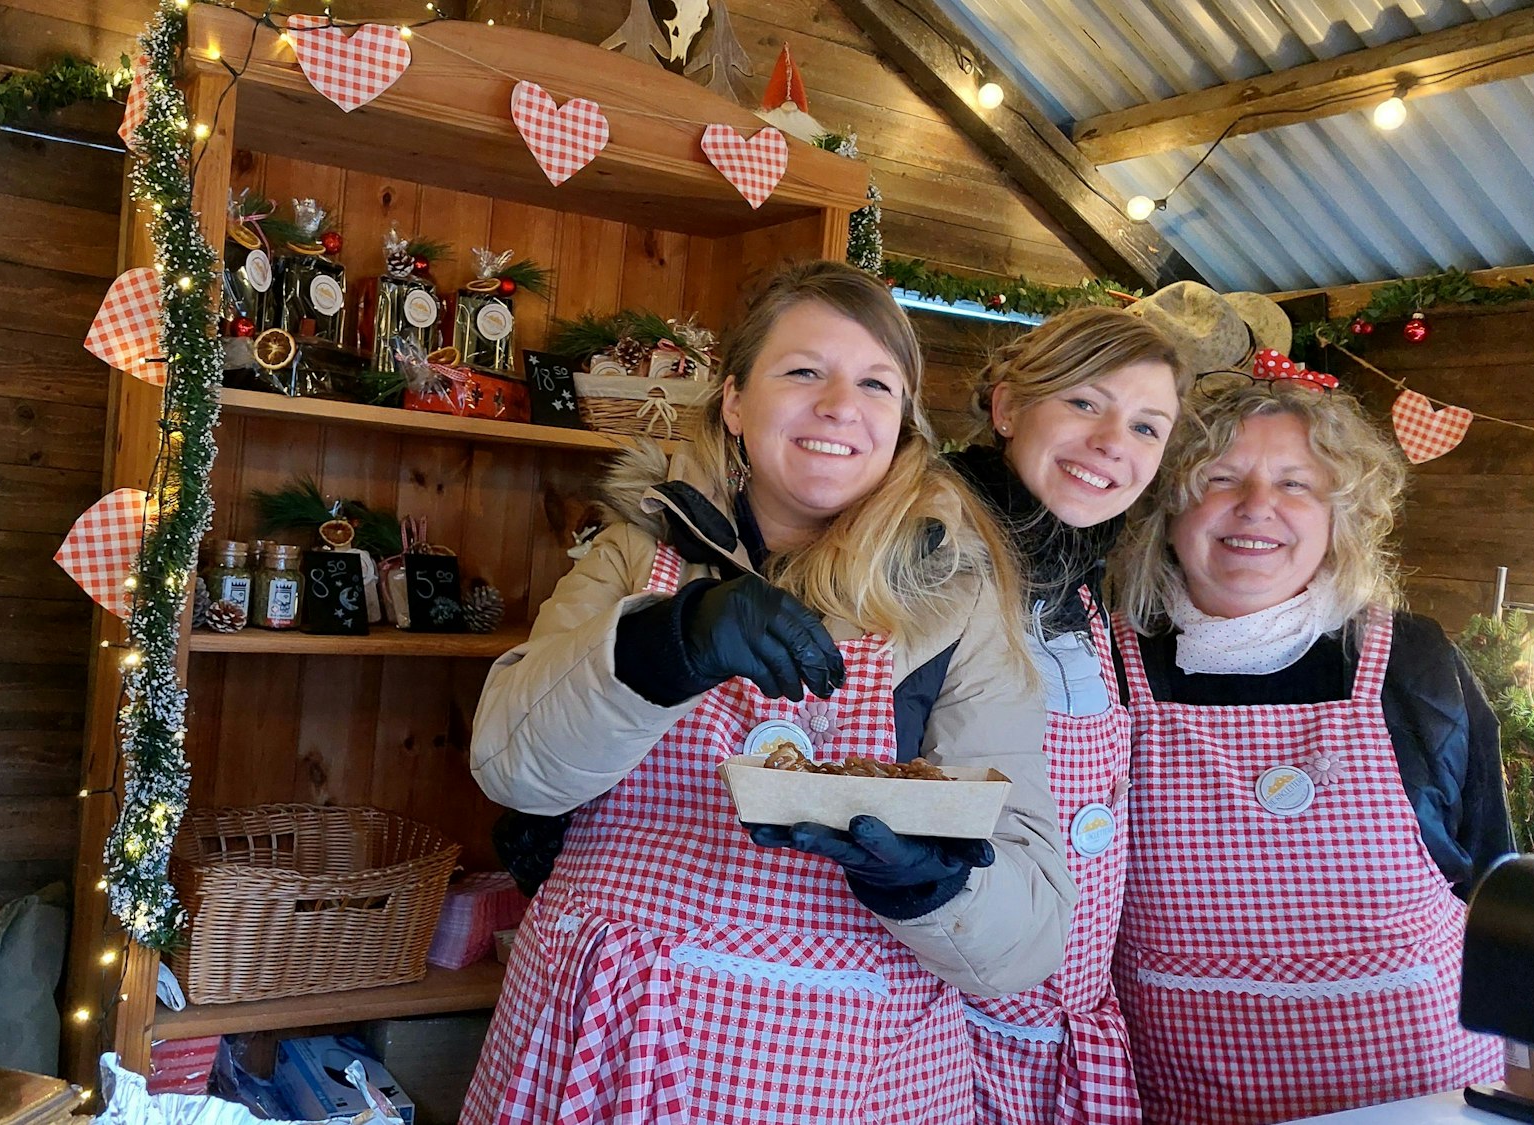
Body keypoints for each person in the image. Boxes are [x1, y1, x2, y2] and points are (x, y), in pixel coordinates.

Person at [461, 260, 1076, 1125]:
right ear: (735, 402)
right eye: (803, 372)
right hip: (607, 1034)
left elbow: (1034, 931)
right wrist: (665, 644)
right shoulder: (636, 555)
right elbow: (513, 766)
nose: (838, 405)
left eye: (875, 383)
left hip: (850, 1067)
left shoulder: (958, 599)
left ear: (902, 425)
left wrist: (937, 885)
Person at [1109, 287, 1511, 1124]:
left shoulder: (1413, 662)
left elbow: (1491, 876)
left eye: (1296, 483)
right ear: (1169, 509)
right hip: (1192, 1090)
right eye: (1221, 478)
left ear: (1341, 516)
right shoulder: (1105, 661)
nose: (1258, 508)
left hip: (1415, 1091)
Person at [947, 306, 1188, 1125]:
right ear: (1007, 405)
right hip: (946, 1018)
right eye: (1086, 402)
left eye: (1147, 426)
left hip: (1066, 1026)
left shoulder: (1087, 582)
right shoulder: (932, 551)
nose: (1115, 442)